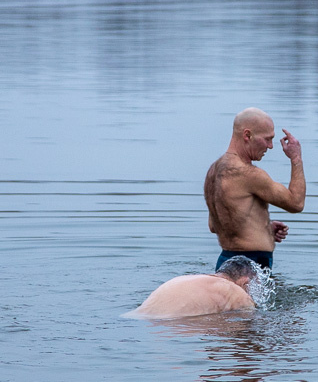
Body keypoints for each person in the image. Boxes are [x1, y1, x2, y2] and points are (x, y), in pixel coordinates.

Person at [204, 107, 305, 272]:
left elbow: (215, 225)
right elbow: (296, 203)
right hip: (251, 265)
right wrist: (296, 158)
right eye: (267, 139)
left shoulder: (214, 171)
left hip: (225, 261)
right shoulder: (249, 174)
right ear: (247, 135)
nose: (271, 146)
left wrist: (259, 228)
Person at [126, 256, 260, 319]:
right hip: (170, 326)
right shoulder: (234, 291)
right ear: (245, 282)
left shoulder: (188, 279)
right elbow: (246, 323)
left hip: (134, 317)